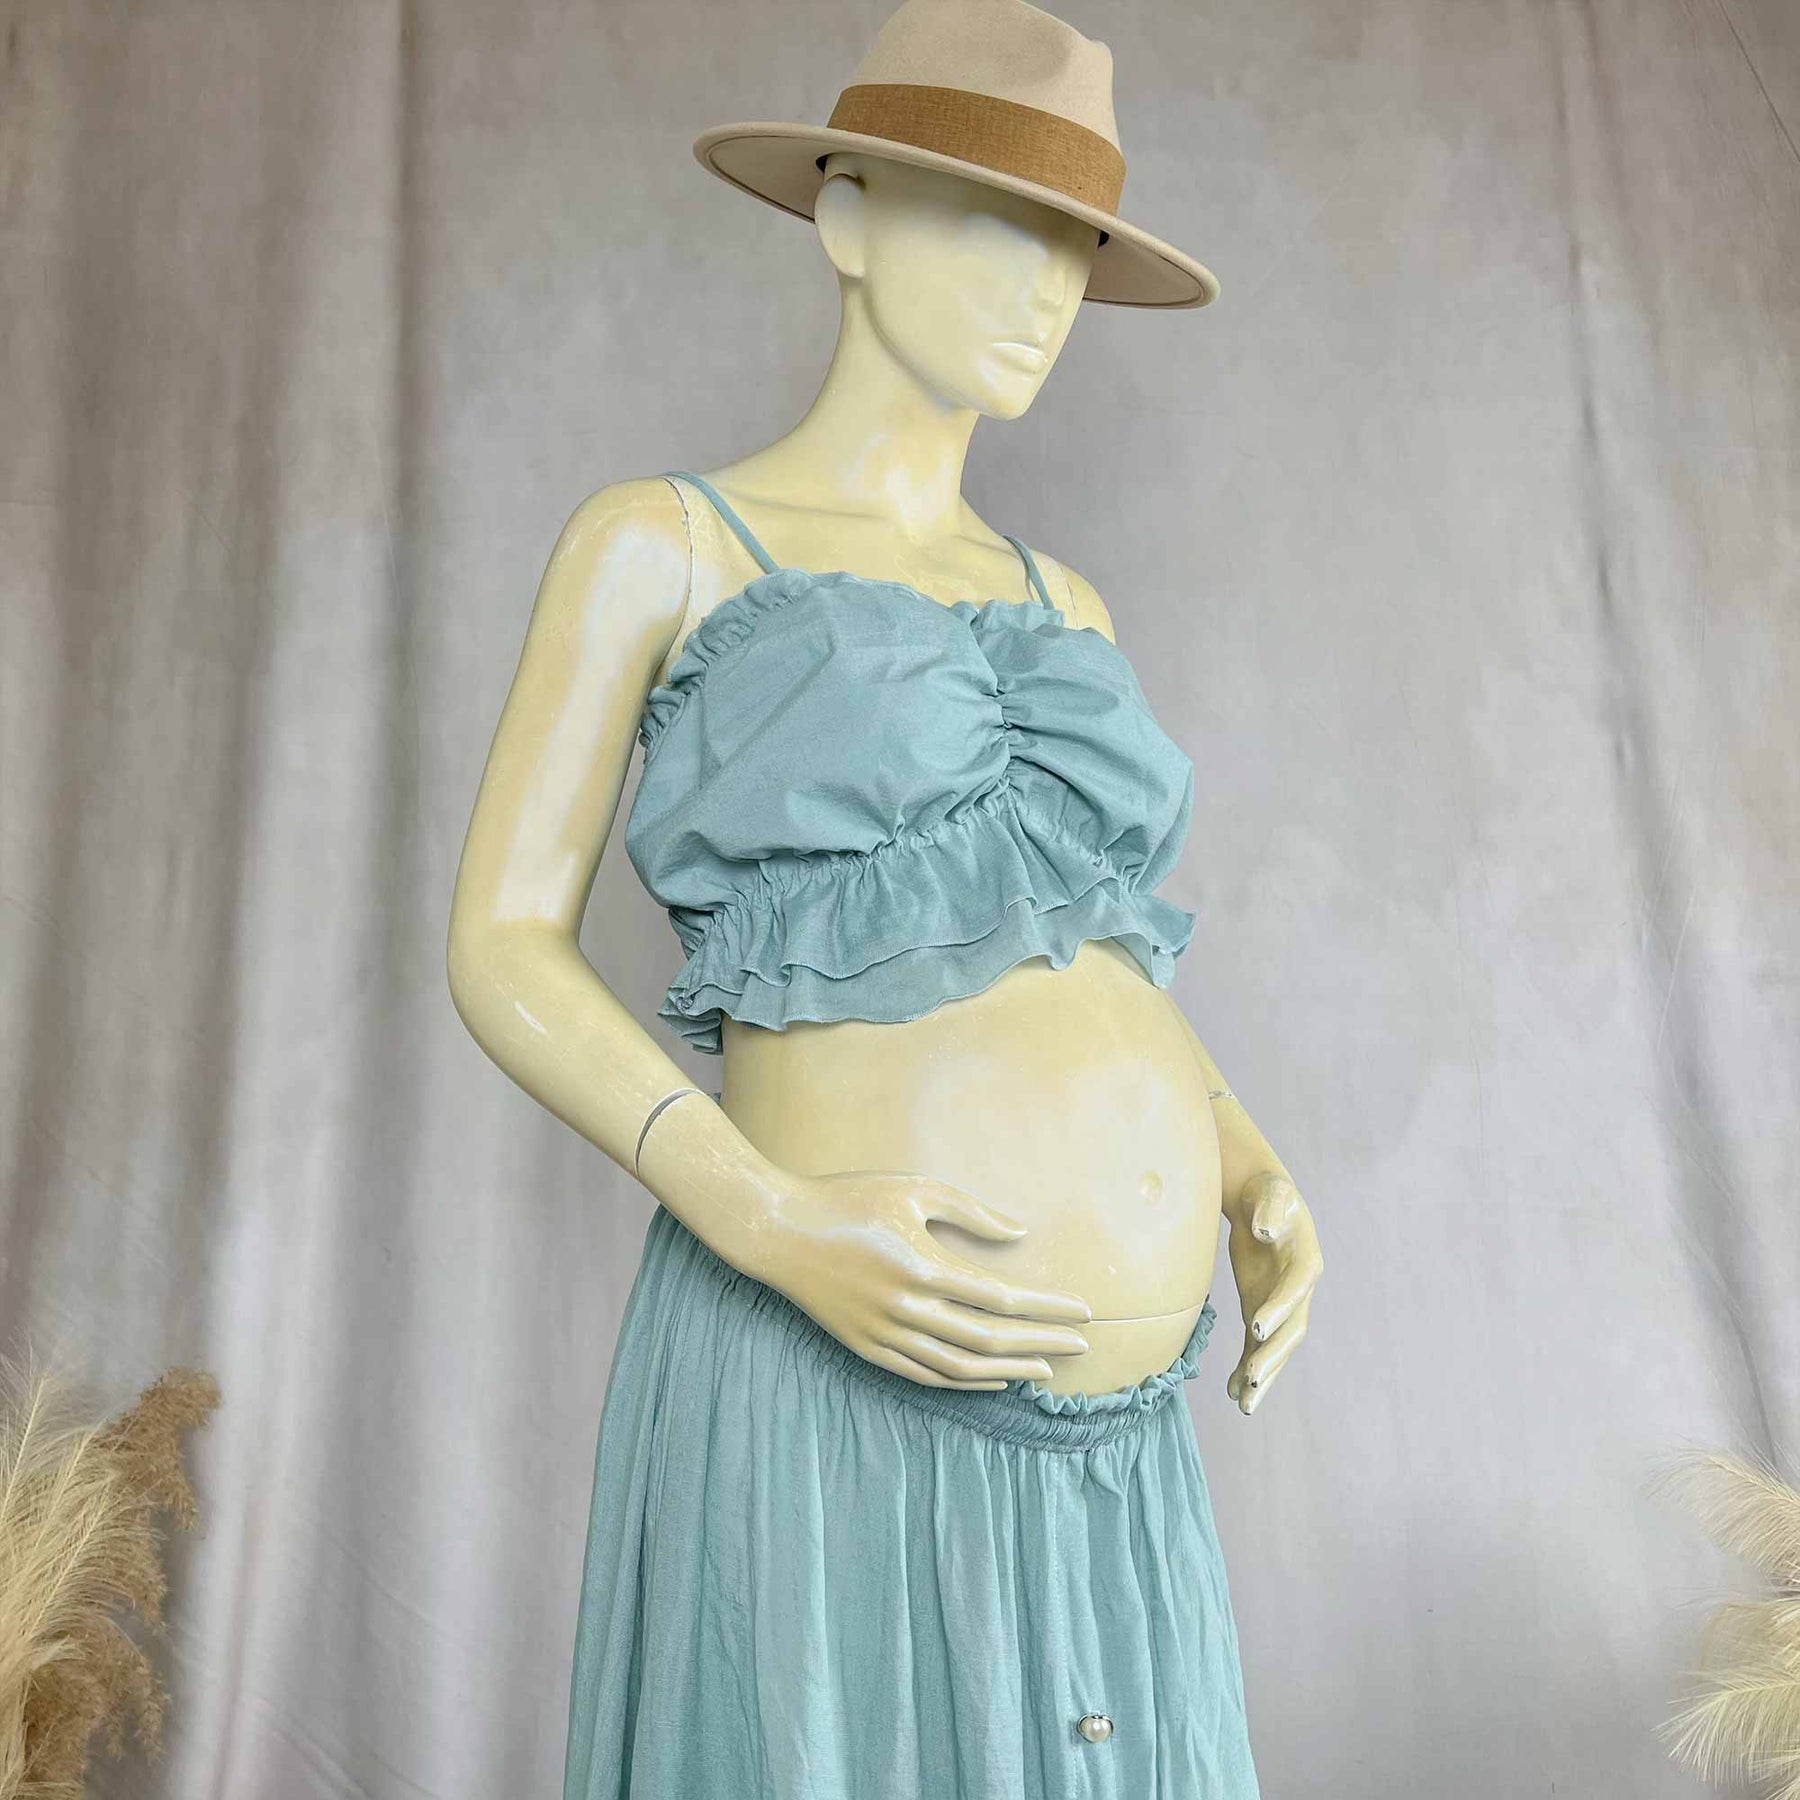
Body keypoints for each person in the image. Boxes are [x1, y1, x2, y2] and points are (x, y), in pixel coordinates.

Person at [447, 2, 1324, 1794]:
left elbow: (1099, 948)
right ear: (844, 213)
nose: (1049, 292)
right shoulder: (663, 544)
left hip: (1120, 1434)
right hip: (831, 1353)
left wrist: (1243, 1163)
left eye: (1077, 248)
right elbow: (500, 944)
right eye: (1002, 222)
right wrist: (762, 1216)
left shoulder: (1064, 603)